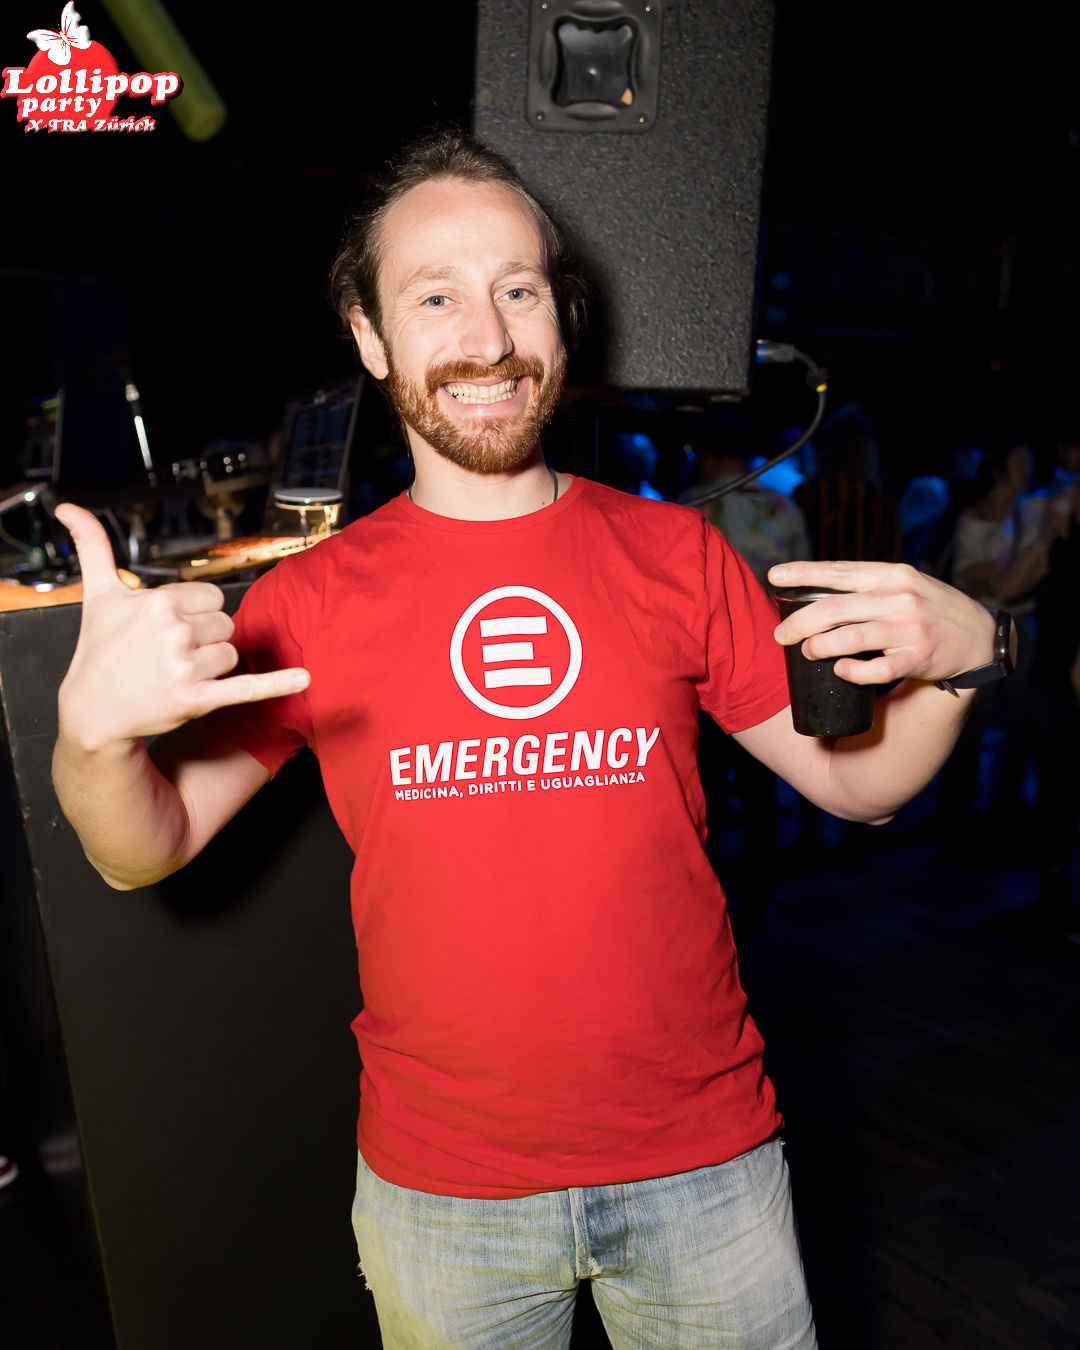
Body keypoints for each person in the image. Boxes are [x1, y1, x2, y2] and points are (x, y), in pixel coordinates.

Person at [52, 131, 1005, 1350]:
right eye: (434, 297)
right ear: (368, 336)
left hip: (704, 1163)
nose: (488, 337)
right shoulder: (310, 598)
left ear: (561, 314)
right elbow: (144, 848)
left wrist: (969, 659)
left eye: (518, 289)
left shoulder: (677, 552)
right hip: (446, 1193)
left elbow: (856, 787)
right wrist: (91, 740)